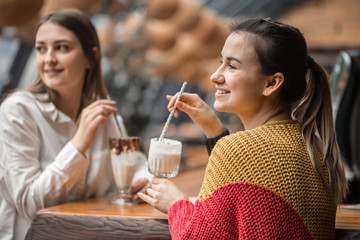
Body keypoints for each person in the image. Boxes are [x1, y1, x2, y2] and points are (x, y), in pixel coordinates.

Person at [138, 17, 348, 239]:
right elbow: (249, 206)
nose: (215, 76)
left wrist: (176, 204)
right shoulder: (314, 148)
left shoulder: (238, 151)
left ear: (271, 83)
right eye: (221, 62)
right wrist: (214, 131)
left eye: (232, 66)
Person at [0, 8, 150, 240]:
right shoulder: (17, 112)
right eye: (41, 48)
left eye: (61, 47)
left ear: (90, 57)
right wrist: (79, 143)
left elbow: (137, 164)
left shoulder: (106, 117)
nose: (48, 59)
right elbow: (30, 205)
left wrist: (144, 183)